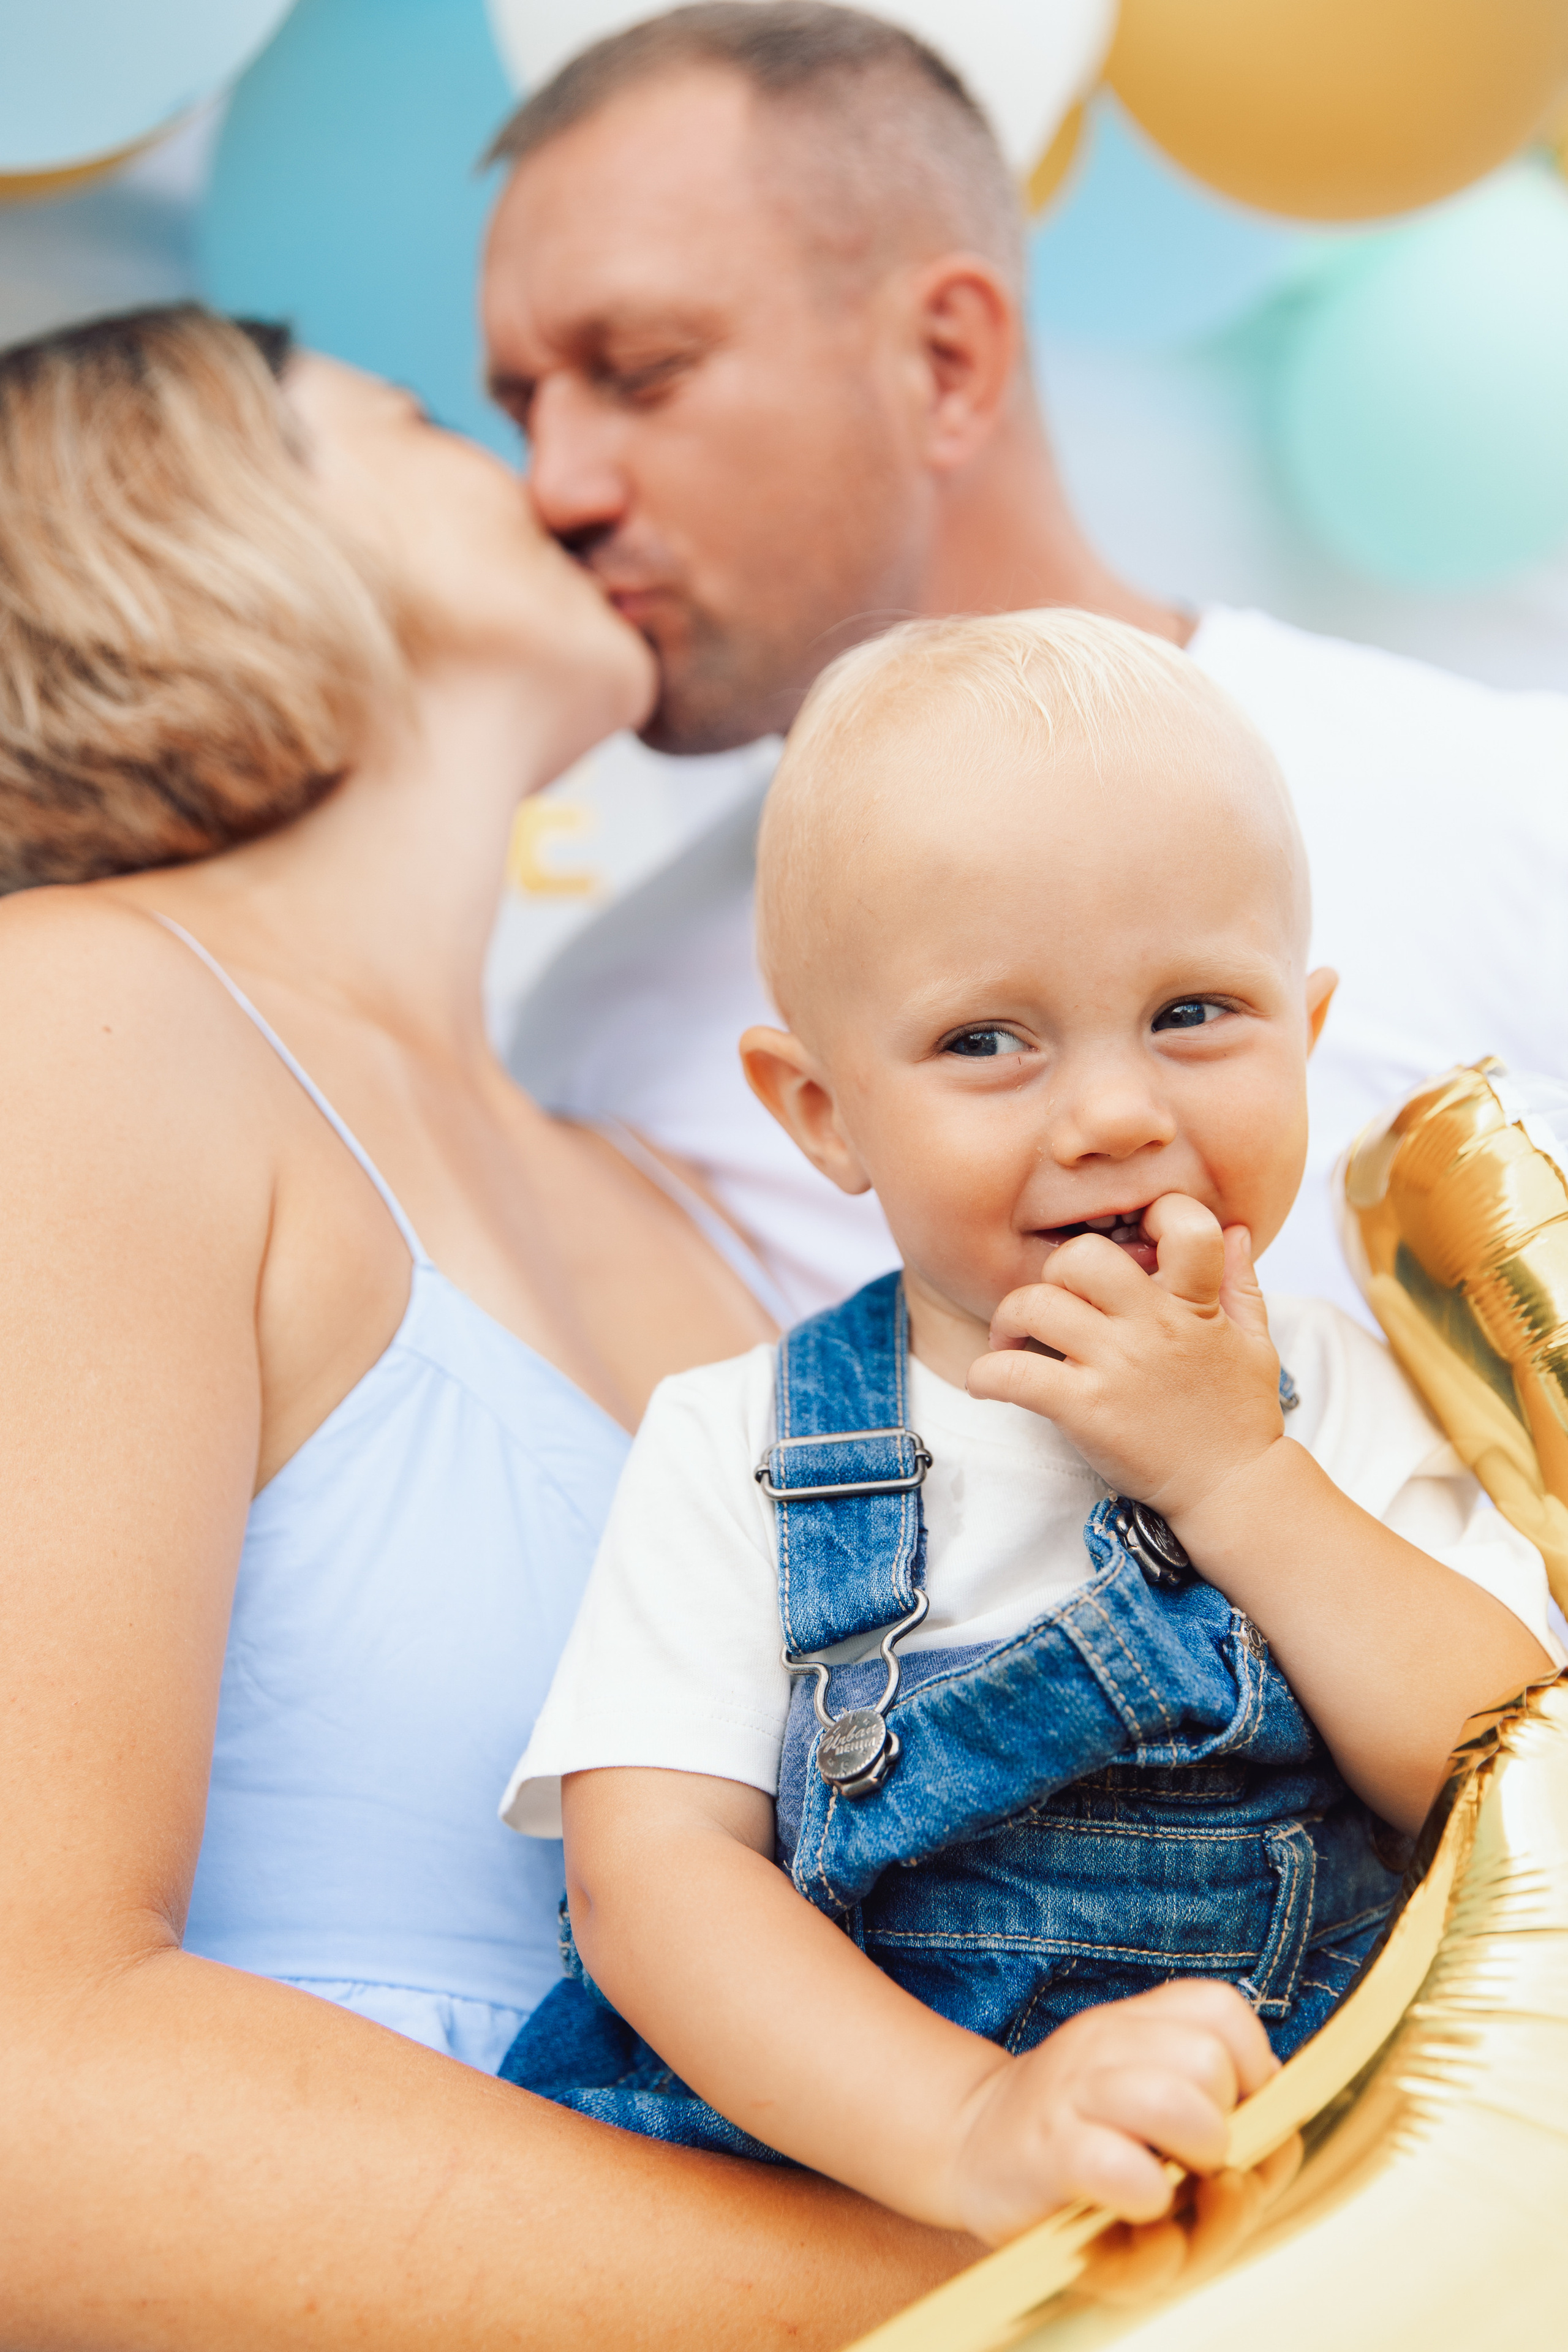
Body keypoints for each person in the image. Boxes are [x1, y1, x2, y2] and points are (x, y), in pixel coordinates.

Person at [0, 301, 987, 2350]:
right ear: (194, 518)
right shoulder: (72, 1020)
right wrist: (1023, 2307)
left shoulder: (665, 1190)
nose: (555, 478)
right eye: (432, 419)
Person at [499, 611, 1559, 2244]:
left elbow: (1497, 1774)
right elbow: (651, 1881)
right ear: (824, 1114)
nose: (1118, 1112)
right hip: (872, 2210)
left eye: (1197, 1011)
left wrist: (1239, 1474)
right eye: (986, 1041)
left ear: (1310, 1030)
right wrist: (971, 2126)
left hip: (1308, 2223)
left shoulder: (1339, 1401)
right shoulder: (742, 1443)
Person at [479, 0, 1568, 1330]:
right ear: (810, 1104)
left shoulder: (1514, 815)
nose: (555, 486)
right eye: (523, 405)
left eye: (639, 371)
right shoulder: (600, 1042)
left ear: (945, 363)